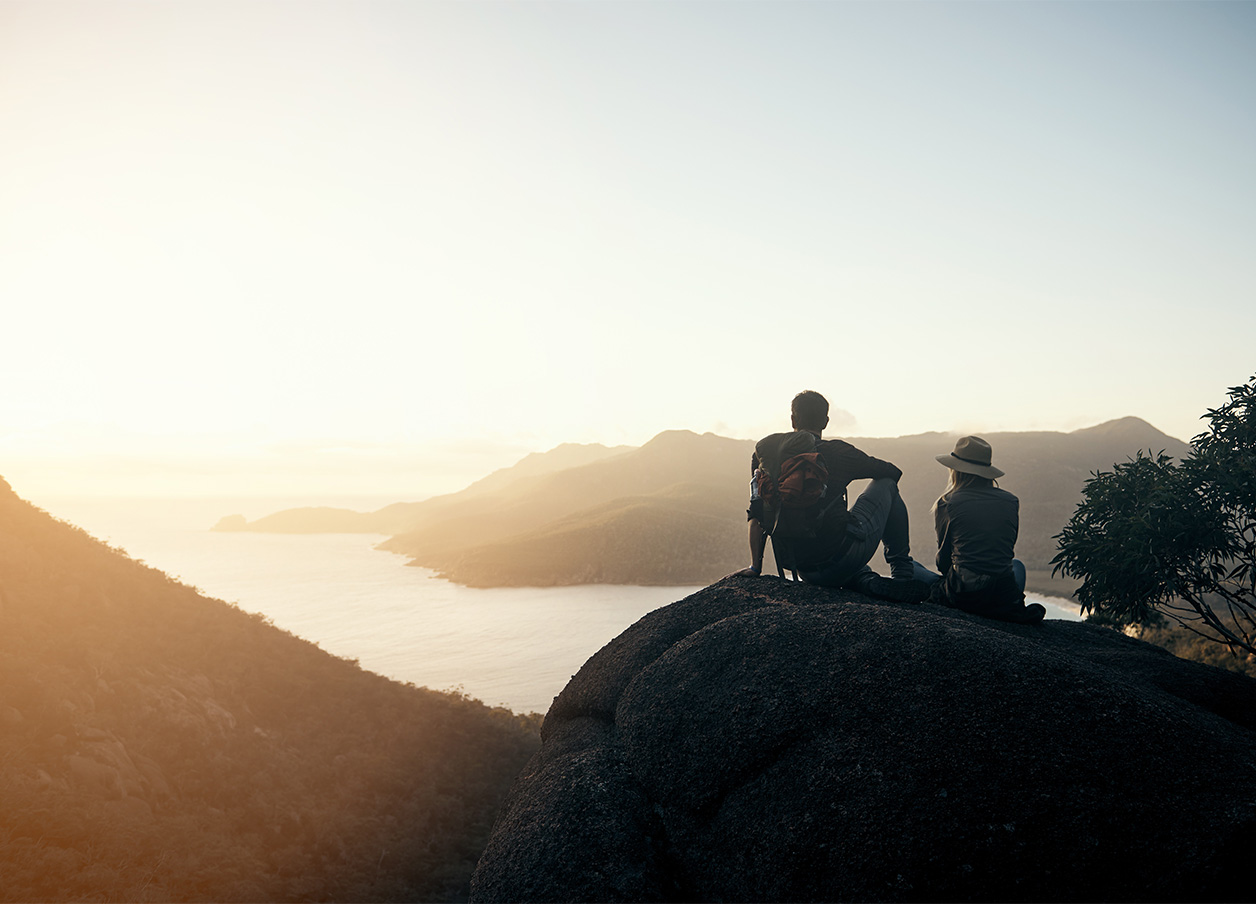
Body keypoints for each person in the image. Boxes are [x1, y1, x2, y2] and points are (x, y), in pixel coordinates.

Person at [738, 390, 930, 602]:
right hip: (841, 557)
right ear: (826, 421)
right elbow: (893, 473)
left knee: (849, 565)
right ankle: (902, 573)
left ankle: (867, 580)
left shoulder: (764, 456)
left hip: (801, 567)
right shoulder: (838, 452)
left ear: (792, 419)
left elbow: (755, 511)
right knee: (887, 485)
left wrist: (755, 567)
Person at [925, 436, 1045, 624]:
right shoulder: (1011, 501)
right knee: (1018, 565)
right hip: (1002, 596)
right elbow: (1004, 550)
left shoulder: (948, 502)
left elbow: (943, 561)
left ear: (955, 470)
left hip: (965, 593)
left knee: (915, 569)